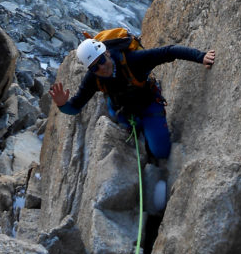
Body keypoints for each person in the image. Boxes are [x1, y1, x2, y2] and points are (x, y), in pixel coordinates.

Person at [49, 37, 215, 161]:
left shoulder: (133, 61)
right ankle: (135, 127)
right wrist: (63, 105)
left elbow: (169, 52)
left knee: (161, 153)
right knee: (132, 132)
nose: (101, 68)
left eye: (101, 61)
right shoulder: (92, 79)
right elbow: (76, 107)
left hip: (148, 104)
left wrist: (201, 57)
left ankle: (148, 135)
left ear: (106, 53)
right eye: (94, 67)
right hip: (123, 111)